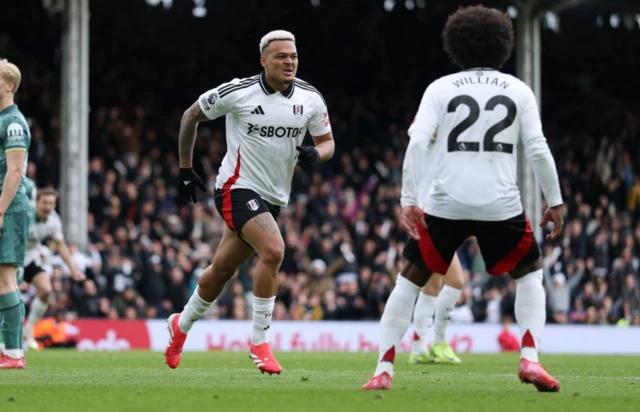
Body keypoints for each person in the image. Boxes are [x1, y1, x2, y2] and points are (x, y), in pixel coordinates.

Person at [363, 6, 563, 392]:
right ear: (504, 45)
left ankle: (383, 370)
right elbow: (537, 149)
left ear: (455, 45)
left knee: (407, 283)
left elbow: (418, 143)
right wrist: (554, 200)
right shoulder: (519, 90)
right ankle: (530, 358)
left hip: (444, 202)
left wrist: (408, 199)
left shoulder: (439, 88)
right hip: (500, 202)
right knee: (530, 275)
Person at [165, 30, 334, 374]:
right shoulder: (238, 92)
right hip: (235, 187)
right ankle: (259, 342)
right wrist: (185, 169)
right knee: (273, 250)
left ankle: (180, 326)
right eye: (281, 56)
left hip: (273, 198)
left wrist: (318, 154)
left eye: (294, 56)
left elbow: (328, 142)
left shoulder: (310, 98)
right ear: (263, 60)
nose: (289, 62)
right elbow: (190, 116)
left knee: (222, 271)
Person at [405, 135, 465, 365]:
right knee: (451, 280)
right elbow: (416, 134)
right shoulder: (432, 127)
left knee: (435, 284)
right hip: (429, 214)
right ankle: (435, 342)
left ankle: (421, 348)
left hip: (437, 213)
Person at [21, 187, 86, 350]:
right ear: (37, 202)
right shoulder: (23, 212)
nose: (48, 207)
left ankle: (28, 330)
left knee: (46, 289)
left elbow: (61, 245)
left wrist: (73, 269)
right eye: (44, 202)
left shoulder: (53, 221)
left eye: (51, 203)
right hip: (10, 257)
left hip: (29, 258)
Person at [0, 59, 32, 369]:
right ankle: (7, 348)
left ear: (9, 85)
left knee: (6, 279)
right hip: (4, 208)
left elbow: (15, 170)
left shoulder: (12, 122)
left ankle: (12, 353)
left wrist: (0, 211)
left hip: (9, 209)